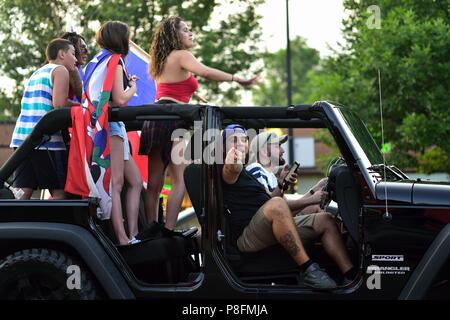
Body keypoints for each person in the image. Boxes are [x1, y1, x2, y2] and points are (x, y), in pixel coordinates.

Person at [139, 16, 259, 230]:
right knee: (180, 180)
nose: (190, 33)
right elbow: (205, 71)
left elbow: (172, 90)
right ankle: (168, 230)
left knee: (155, 184)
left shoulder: (160, 60)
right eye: (185, 30)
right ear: (174, 35)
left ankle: (150, 230)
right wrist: (236, 79)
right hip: (173, 120)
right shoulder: (182, 55)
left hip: (156, 118)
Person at [220, 124, 337, 289]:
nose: (282, 150)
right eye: (277, 145)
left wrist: (283, 185)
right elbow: (231, 170)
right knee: (279, 204)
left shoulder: (254, 174)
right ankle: (308, 268)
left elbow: (267, 202)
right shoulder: (252, 170)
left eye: (243, 140)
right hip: (250, 233)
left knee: (323, 216)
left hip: (263, 224)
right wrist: (232, 162)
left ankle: (348, 274)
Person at [246, 130, 358, 285]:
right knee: (325, 219)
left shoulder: (269, 175)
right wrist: (310, 198)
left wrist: (315, 189)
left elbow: (285, 209)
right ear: (264, 150)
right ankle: (350, 275)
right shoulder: (256, 170)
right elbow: (272, 207)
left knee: (317, 209)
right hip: (266, 230)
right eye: (278, 146)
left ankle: (335, 264)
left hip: (274, 224)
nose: (283, 150)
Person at [86, 21, 142, 245]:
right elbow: (119, 99)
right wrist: (133, 88)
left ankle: (134, 234)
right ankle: (122, 238)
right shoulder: (115, 60)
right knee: (115, 184)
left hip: (103, 125)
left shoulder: (97, 60)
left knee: (135, 181)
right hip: (111, 125)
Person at [10, 38, 78, 200]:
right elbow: (59, 104)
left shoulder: (37, 73)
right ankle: (59, 225)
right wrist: (81, 107)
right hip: (46, 143)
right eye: (73, 54)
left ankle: (11, 223)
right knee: (60, 192)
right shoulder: (60, 70)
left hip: (22, 140)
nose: (76, 59)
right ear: (62, 54)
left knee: (22, 191)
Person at [60, 31, 89, 103]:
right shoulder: (71, 69)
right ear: (71, 48)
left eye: (86, 47)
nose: (86, 51)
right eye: (82, 47)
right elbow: (84, 100)